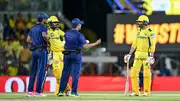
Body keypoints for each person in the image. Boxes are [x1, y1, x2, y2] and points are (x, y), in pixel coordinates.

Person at [58, 18, 101, 97]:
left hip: (67, 55)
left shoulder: (67, 33)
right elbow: (85, 46)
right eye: (80, 24)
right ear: (78, 25)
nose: (81, 25)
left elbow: (64, 42)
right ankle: (74, 92)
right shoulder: (80, 35)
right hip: (76, 55)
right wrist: (96, 43)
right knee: (75, 74)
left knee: (65, 73)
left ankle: (61, 91)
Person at [124, 15, 156, 96]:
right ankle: (136, 91)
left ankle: (146, 91)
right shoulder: (138, 31)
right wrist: (129, 54)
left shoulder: (150, 33)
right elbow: (134, 44)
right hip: (137, 55)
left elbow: (152, 46)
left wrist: (151, 56)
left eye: (140, 22)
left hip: (146, 55)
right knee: (133, 73)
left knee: (146, 73)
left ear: (145, 22)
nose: (138, 23)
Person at [26, 12, 49, 97]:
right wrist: (49, 42)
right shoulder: (43, 27)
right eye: (46, 18)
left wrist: (35, 42)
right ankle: (38, 92)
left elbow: (28, 40)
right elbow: (44, 36)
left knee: (33, 71)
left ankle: (29, 91)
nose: (46, 20)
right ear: (43, 19)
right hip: (41, 50)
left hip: (34, 51)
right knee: (41, 71)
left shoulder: (33, 27)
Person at [47, 16, 71, 95]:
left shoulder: (58, 30)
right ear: (50, 23)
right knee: (57, 73)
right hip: (55, 54)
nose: (56, 24)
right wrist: (49, 53)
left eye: (57, 23)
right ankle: (67, 89)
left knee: (62, 73)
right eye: (54, 22)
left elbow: (66, 35)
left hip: (62, 53)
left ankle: (58, 91)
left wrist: (65, 41)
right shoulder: (47, 32)